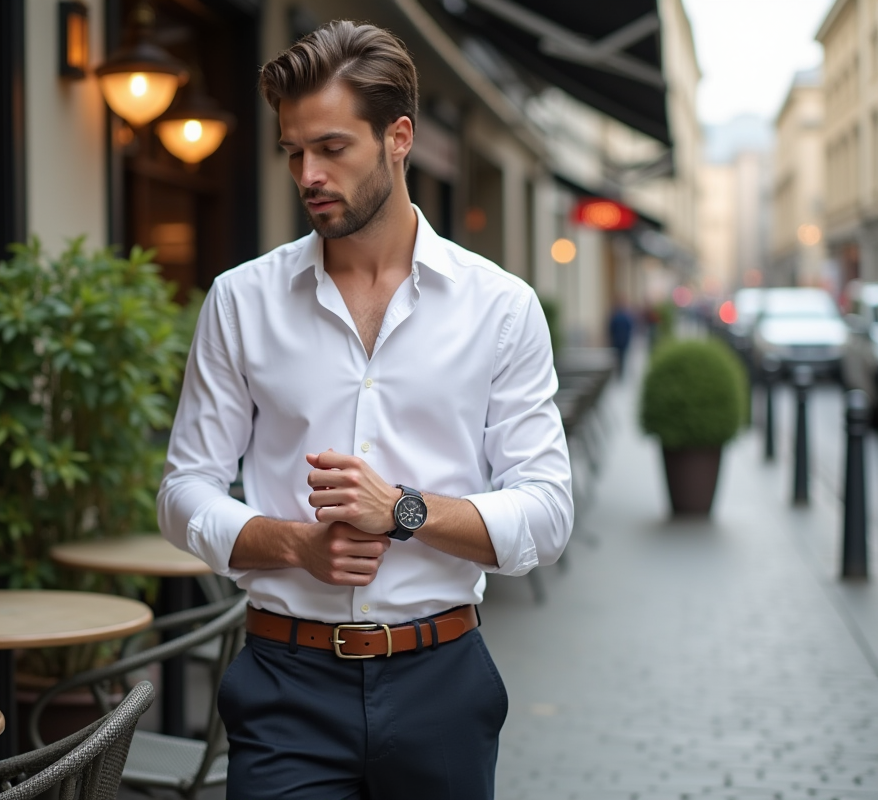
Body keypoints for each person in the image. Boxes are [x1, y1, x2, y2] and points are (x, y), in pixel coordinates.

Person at [158, 20, 572, 800]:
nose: (308, 173)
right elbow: (183, 493)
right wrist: (291, 545)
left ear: (398, 138)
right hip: (284, 688)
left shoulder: (502, 309)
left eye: (332, 148)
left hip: (442, 682)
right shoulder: (241, 302)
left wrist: (404, 511)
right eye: (292, 152)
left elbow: (547, 514)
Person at [608, 298, 634, 378]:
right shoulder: (626, 317)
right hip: (624, 340)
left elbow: (611, 329)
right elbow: (630, 328)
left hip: (617, 340)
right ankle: (621, 372)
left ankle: (619, 372)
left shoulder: (615, 317)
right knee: (623, 357)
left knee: (618, 357)